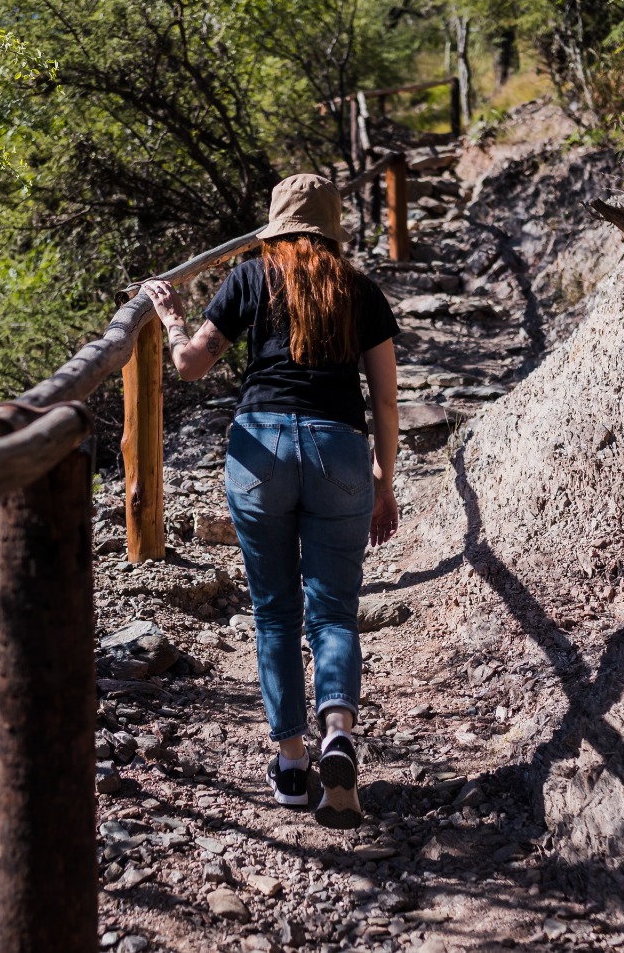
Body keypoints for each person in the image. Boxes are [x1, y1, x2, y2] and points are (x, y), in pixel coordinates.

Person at [141, 173, 400, 830]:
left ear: (275, 226)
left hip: (259, 451)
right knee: (334, 609)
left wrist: (172, 319)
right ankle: (337, 729)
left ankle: (291, 765)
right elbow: (387, 398)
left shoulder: (249, 280)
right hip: (339, 448)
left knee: (277, 612)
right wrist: (384, 479)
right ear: (332, 229)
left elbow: (191, 365)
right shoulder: (361, 290)